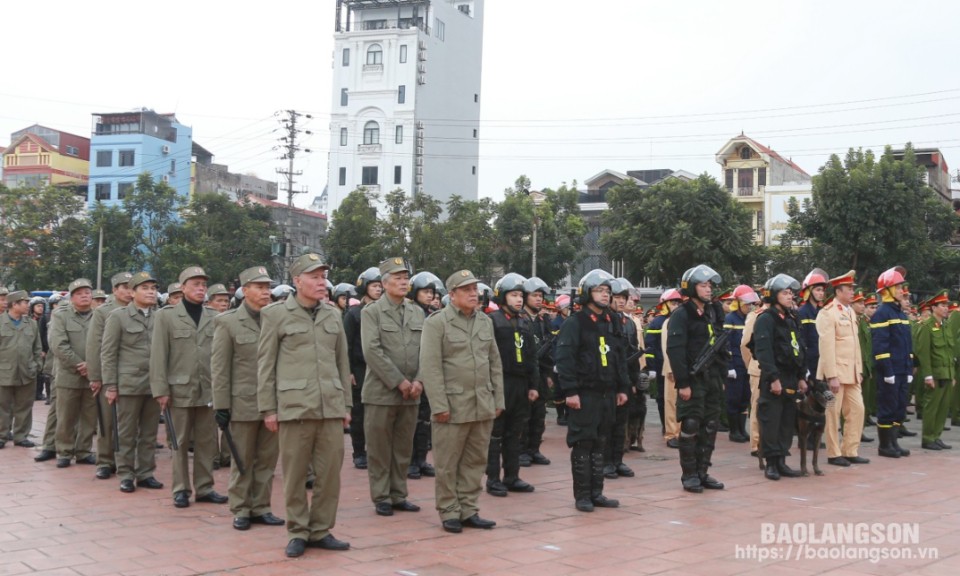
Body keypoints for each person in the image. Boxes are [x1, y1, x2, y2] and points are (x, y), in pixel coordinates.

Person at [258, 254, 352, 557]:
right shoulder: (275, 315)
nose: (321, 282)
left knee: (329, 474)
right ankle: (298, 530)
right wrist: (268, 409)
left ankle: (321, 529)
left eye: (323, 276)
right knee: (296, 474)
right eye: (314, 276)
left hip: (330, 407)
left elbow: (342, 362)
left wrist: (346, 405)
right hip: (294, 406)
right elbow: (266, 365)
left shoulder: (332, 315)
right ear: (297, 281)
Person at [420, 270, 504, 532]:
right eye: (466, 290)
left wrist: (497, 399)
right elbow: (431, 368)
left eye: (475, 289)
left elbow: (494, 363)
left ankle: (469, 508)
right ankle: (449, 511)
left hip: (481, 404)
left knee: (475, 460)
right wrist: (439, 405)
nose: (473, 294)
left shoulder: (484, 322)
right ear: (452, 294)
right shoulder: (437, 323)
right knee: (447, 463)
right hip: (452, 406)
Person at [212, 266, 285, 530]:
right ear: (245, 291)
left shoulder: (276, 319)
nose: (266, 292)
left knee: (266, 459)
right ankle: (241, 508)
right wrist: (221, 405)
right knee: (242, 459)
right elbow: (220, 368)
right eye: (260, 287)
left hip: (273, 403)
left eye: (268, 287)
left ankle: (261, 506)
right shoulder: (227, 322)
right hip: (242, 403)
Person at [150, 266, 227, 508]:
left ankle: (205, 488)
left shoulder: (214, 317)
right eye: (195, 284)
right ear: (182, 287)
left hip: (207, 390)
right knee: (179, 442)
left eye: (203, 284)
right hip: (178, 390)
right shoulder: (166, 316)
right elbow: (158, 356)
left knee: (207, 442)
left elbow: (221, 358)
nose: (201, 288)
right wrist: (160, 390)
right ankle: (181, 489)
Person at [555, 269, 628, 511]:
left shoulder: (612, 321)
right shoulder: (574, 323)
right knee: (583, 444)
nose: (605, 295)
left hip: (607, 393)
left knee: (601, 443)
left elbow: (619, 356)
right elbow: (565, 359)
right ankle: (583, 496)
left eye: (608, 291)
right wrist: (570, 391)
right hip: (584, 394)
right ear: (586, 294)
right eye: (599, 290)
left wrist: (622, 387)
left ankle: (597, 492)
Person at [360, 257, 424, 517]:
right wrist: (399, 381)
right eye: (397, 278)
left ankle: (399, 494)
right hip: (381, 392)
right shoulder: (371, 312)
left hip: (412, 393)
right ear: (384, 283)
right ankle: (382, 496)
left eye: (405, 278)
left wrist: (419, 380)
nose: (403, 282)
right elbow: (371, 351)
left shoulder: (417, 311)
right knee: (379, 447)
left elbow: (426, 350)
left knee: (403, 446)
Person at [101, 272, 165, 493]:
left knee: (149, 433)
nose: (150, 292)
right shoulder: (118, 317)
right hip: (128, 385)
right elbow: (108, 353)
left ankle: (146, 473)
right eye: (145, 288)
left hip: (153, 384)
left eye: (153, 288)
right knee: (126, 433)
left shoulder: (161, 317)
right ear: (132, 292)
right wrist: (110, 385)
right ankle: (126, 474)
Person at [666, 265, 726, 493]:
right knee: (691, 425)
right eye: (703, 285)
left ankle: (703, 471)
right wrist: (683, 383)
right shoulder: (682, 314)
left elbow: (719, 346)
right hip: (692, 379)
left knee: (710, 425)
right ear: (691, 288)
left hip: (711, 378)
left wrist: (721, 375)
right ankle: (689, 475)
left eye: (710, 285)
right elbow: (676, 351)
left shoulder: (711, 312)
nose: (708, 289)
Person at [485, 273, 538, 497]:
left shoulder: (525, 322)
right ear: (502, 297)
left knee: (515, 432)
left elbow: (532, 357)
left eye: (520, 295)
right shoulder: (492, 321)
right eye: (514, 295)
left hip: (520, 384)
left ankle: (512, 476)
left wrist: (533, 385)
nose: (518, 300)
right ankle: (493, 479)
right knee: (496, 433)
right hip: (499, 383)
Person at [752, 274, 807, 480]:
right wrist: (773, 378)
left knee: (786, 421)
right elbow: (764, 352)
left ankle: (782, 460)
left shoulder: (792, 318)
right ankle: (771, 463)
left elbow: (799, 347)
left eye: (791, 293)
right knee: (771, 421)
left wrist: (802, 376)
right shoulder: (765, 319)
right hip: (774, 379)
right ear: (773, 296)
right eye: (785, 293)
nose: (790, 296)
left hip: (792, 377)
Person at [816, 271, 870, 466]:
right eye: (849, 289)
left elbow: (854, 345)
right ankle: (833, 453)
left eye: (853, 289)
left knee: (858, 410)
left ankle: (850, 450)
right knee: (832, 413)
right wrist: (831, 376)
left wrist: (859, 370)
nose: (852, 292)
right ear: (838, 291)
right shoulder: (828, 313)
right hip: (835, 375)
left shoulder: (849, 312)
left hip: (852, 374)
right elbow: (827, 346)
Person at [86, 272, 134, 480]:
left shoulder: (145, 309)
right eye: (123, 287)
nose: (128, 291)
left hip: (135, 375)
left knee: (130, 423)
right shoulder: (103, 312)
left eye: (131, 286)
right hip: (109, 374)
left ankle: (128, 460)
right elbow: (95, 346)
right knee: (107, 420)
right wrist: (96, 377)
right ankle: (105, 460)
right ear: (114, 290)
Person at [50, 279, 96, 467]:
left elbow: (105, 345)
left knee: (89, 417)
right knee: (66, 417)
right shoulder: (60, 316)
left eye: (87, 292)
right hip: (69, 375)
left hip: (93, 377)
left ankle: (84, 451)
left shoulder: (99, 316)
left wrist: (92, 366)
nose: (85, 296)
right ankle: (64, 452)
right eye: (79, 293)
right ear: (72, 297)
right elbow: (59, 345)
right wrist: (81, 365)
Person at [870, 266, 914, 458]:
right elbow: (880, 347)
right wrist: (887, 371)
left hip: (902, 369)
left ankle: (894, 443)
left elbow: (907, 345)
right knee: (887, 407)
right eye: (897, 288)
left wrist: (909, 369)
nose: (901, 291)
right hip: (890, 371)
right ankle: (885, 446)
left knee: (899, 406)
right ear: (887, 291)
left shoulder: (900, 313)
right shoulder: (882, 313)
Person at [343, 266, 383, 470]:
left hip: (379, 368)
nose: (378, 290)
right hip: (359, 368)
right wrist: (348, 370)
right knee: (359, 413)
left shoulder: (384, 312)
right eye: (375, 286)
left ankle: (376, 451)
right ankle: (359, 452)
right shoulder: (354, 314)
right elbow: (346, 344)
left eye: (380, 286)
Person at [406, 271, 442, 479]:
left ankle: (421, 459)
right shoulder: (410, 313)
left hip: (430, 373)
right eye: (425, 292)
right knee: (413, 421)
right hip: (413, 372)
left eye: (432, 292)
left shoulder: (432, 314)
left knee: (426, 421)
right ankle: (410, 461)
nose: (429, 296)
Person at [604, 277, 638, 478]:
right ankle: (606, 461)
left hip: (624, 378)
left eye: (623, 297)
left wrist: (633, 381)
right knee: (608, 422)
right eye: (616, 297)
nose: (620, 301)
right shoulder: (605, 322)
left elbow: (632, 353)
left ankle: (617, 460)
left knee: (621, 423)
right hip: (608, 378)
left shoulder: (629, 323)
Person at [0, 291, 42, 449]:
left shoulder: (31, 323)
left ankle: (21, 436)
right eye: (24, 302)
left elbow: (37, 348)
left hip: (27, 372)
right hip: (4, 372)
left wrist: (37, 365)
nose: (27, 305)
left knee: (24, 406)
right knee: (2, 406)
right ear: (14, 304)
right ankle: (2, 436)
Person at [519, 276, 554, 467]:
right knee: (525, 414)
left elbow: (549, 348)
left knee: (539, 414)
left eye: (540, 295)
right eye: (534, 295)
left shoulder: (543, 320)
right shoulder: (520, 319)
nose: (539, 299)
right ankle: (522, 450)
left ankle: (534, 448)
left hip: (540, 373)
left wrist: (548, 374)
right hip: (525, 374)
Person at [914, 290, 955, 451]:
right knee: (931, 407)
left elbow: (949, 352)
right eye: (943, 305)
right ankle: (928, 437)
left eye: (946, 305)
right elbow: (923, 354)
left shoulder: (945, 326)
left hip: (947, 373)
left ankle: (936, 436)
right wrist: (928, 375)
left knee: (943, 407)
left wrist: (952, 374)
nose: (946, 308)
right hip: (935, 374)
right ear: (934, 308)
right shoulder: (926, 326)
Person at [645, 289, 682, 448]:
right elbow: (650, 345)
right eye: (673, 303)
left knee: (677, 400)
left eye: (678, 303)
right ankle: (667, 427)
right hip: (662, 366)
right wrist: (651, 367)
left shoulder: (680, 320)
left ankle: (674, 428)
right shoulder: (657, 322)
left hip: (676, 366)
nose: (676, 306)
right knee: (663, 399)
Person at [724, 285, 758, 444]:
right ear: (737, 303)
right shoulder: (730, 319)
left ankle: (741, 429)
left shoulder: (750, 318)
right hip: (735, 364)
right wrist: (729, 366)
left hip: (747, 363)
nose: (749, 307)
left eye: (750, 304)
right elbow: (726, 344)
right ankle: (733, 431)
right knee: (733, 398)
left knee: (745, 397)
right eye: (746, 304)